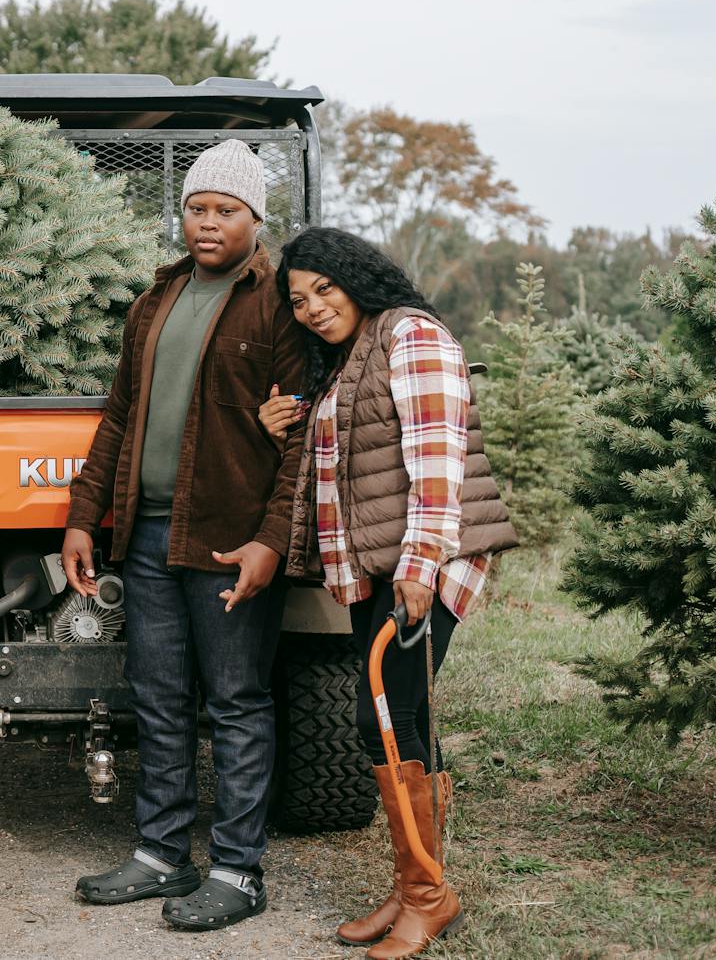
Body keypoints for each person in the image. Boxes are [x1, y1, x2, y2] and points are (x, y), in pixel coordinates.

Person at [62, 139, 308, 931]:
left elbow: (301, 438)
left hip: (230, 543)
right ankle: (163, 853)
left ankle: (239, 870)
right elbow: (119, 419)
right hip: (148, 538)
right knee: (158, 699)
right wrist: (81, 517)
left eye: (226, 211)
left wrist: (272, 539)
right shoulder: (155, 301)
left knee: (237, 701)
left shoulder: (277, 304)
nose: (208, 223)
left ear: (254, 218)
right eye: (198, 207)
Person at [257, 226, 517, 959]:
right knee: (387, 725)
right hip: (383, 568)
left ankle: (430, 896)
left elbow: (437, 459)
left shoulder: (412, 334)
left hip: (420, 565)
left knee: (394, 721)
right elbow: (352, 466)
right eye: (298, 299)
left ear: (357, 278)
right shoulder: (351, 357)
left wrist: (420, 563)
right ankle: (413, 886)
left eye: (323, 289)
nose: (310, 308)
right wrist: (287, 424)